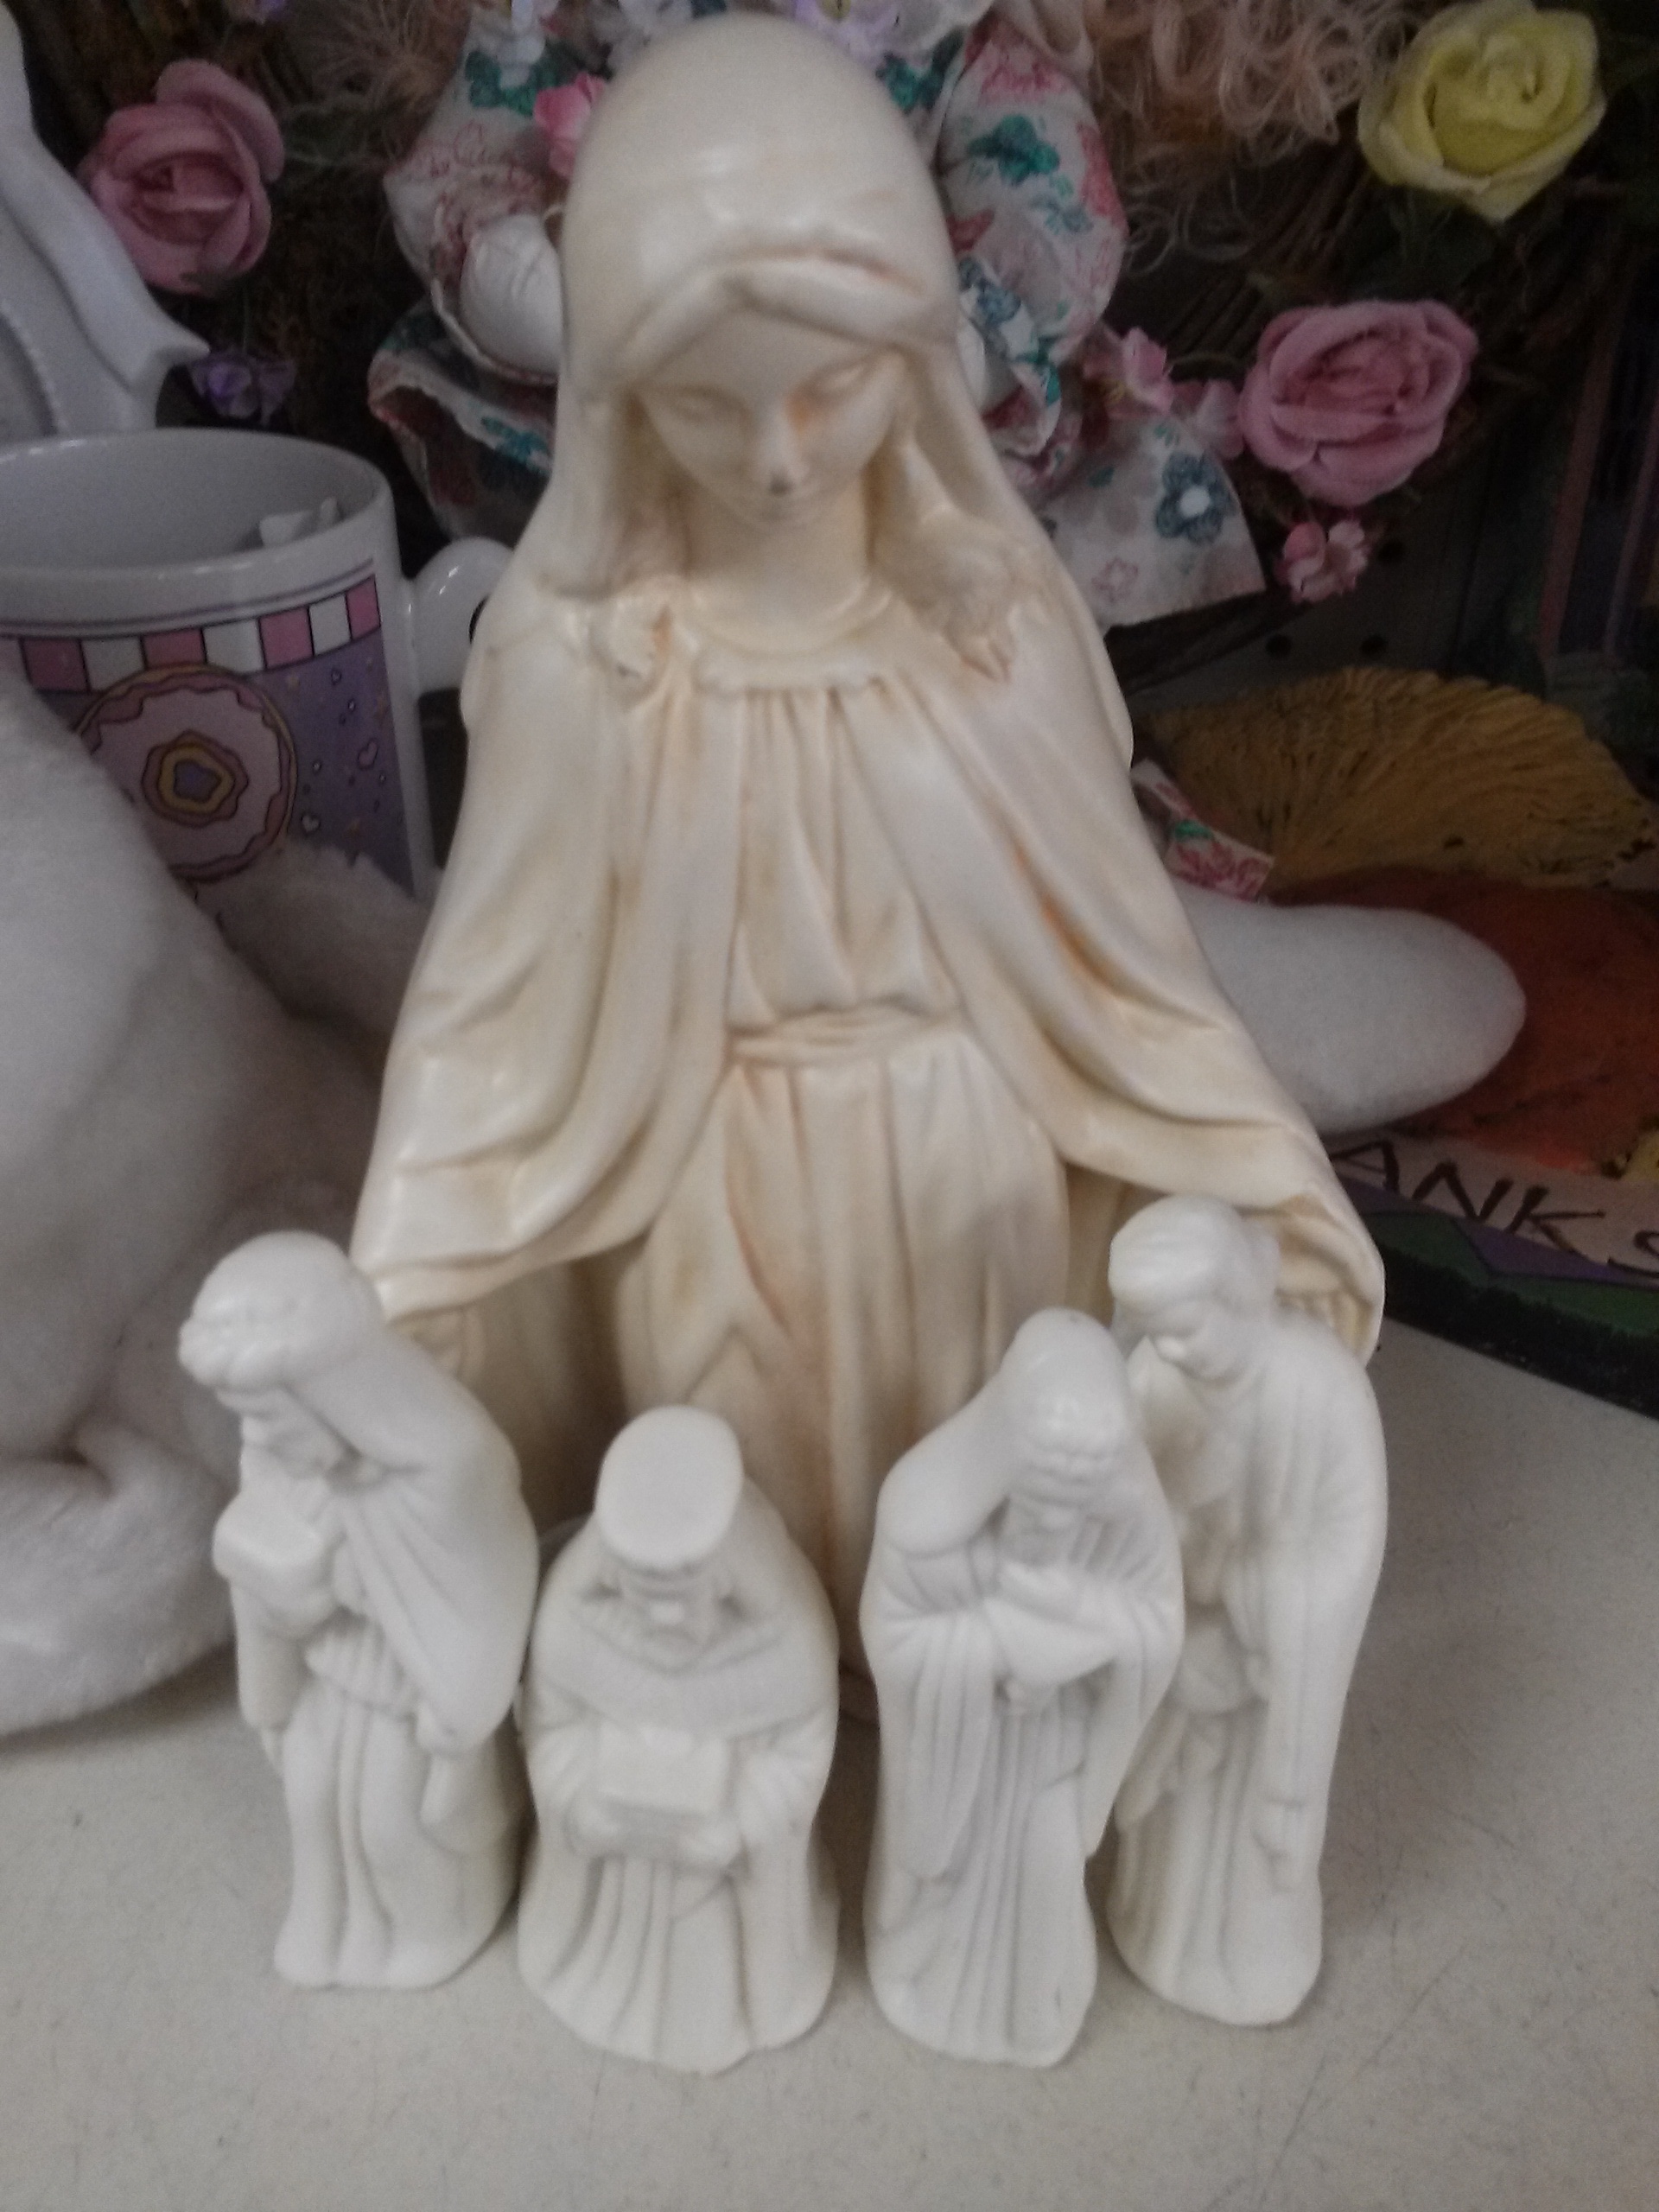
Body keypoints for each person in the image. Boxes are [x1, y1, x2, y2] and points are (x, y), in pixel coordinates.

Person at [350, 14, 1382, 1656]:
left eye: (832, 387)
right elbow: (492, 1011)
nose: (777, 458)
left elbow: (1124, 979)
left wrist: (1254, 1198)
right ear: (618, 403)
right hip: (708, 1209)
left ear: (914, 357)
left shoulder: (990, 639)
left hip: (979, 1195)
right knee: (724, 1592)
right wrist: (406, 1291)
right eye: (707, 406)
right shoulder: (586, 666)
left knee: (978, 1598)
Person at [180, 1231, 538, 1990]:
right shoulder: (278, 1455)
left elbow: (484, 1588)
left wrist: (337, 1579)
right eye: (242, 1415)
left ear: (338, 1392)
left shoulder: (449, 1464)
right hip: (325, 1666)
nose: (254, 1435)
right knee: (310, 1801)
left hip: (409, 1691)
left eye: (270, 1415)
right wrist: (272, 1599)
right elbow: (264, 1535)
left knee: (389, 1822)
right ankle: (332, 1927)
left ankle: (439, 1925)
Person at [861, 1308, 1183, 2064]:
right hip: (962, 1749)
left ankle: (1035, 2007)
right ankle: (928, 1978)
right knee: (954, 1870)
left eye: (1081, 1508)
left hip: (1060, 1745)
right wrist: (993, 1651)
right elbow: (899, 1632)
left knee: (1049, 1863)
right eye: (1040, 1504)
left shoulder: (1133, 1517)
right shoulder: (930, 1506)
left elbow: (1155, 1628)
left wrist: (1086, 1625)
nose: (1060, 1526)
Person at [1104, 1196, 1388, 2025]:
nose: (1168, 1347)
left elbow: (1352, 1537)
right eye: (1154, 1329)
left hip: (1268, 1667)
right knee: (1167, 1827)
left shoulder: (1321, 1385)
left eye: (1185, 1327)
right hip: (1180, 1651)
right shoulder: (1153, 1377)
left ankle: (1250, 1956)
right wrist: (1168, 1556)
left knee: (1239, 1842)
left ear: (1235, 1299)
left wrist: (1261, 1590)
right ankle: (1150, 1925)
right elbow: (1120, 1503)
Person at [518, 1407, 840, 2072]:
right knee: (598, 1977)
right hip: (610, 1871)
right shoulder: (574, 1622)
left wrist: (739, 1831)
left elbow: (800, 1758)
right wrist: (585, 1811)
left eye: (682, 1595)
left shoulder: (784, 1639)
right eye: (644, 1595)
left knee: (704, 2000)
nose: (663, 1618)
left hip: (712, 1876)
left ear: (724, 1577)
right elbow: (550, 1733)